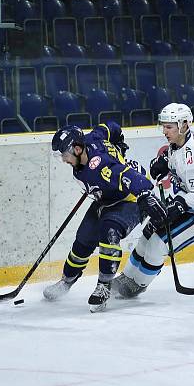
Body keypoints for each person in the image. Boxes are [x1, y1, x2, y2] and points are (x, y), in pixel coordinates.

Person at [44, 122, 167, 312]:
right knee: (83, 240)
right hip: (107, 198)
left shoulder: (99, 166)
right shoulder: (92, 138)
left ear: (77, 149)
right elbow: (111, 126)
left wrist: (144, 194)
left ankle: (103, 287)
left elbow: (127, 176)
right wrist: (119, 142)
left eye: (64, 154)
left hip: (131, 199)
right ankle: (66, 281)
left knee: (109, 230)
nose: (63, 159)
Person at [113, 103, 194, 298]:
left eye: (169, 127)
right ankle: (127, 277)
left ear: (183, 125)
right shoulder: (186, 137)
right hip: (189, 200)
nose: (164, 131)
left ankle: (138, 284)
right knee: (149, 231)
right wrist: (166, 159)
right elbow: (179, 153)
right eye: (163, 126)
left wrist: (180, 204)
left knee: (159, 244)